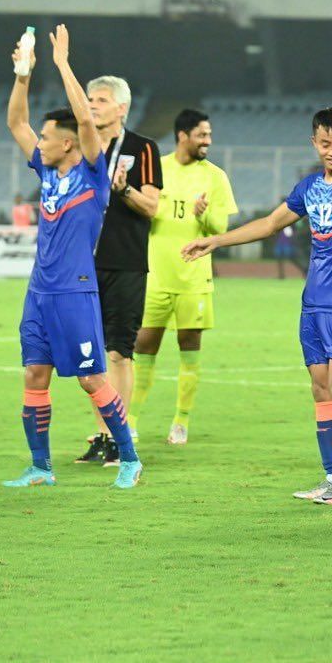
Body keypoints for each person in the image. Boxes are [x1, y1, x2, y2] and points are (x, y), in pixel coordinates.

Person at [182, 107, 332, 505]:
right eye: (326, 143)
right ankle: (331, 478)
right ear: (314, 143)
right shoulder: (308, 188)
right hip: (313, 303)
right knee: (320, 391)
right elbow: (268, 223)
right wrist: (215, 241)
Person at [2, 24, 142, 489]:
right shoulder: (46, 169)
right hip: (39, 290)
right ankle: (41, 467)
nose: (38, 141)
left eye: (47, 136)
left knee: (90, 379)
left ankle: (128, 457)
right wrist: (23, 75)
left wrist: (62, 65)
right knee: (34, 372)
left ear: (66, 143)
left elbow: (86, 122)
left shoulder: (93, 175)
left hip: (75, 291)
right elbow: (15, 124)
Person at [128, 109, 238, 446]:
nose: (207, 141)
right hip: (155, 275)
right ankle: (130, 421)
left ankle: (181, 421)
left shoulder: (215, 176)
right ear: (182, 136)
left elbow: (220, 230)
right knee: (143, 347)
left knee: (189, 347)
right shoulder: (156, 169)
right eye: (201, 135)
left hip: (194, 279)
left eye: (209, 135)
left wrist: (204, 216)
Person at [74, 73, 162, 466]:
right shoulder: (80, 147)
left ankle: (119, 437)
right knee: (91, 356)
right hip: (82, 264)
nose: (93, 104)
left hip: (125, 262)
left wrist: (123, 189)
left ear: (122, 108)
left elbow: (152, 207)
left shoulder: (143, 148)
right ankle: (100, 436)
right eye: (91, 98)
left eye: (102, 99)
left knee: (119, 352)